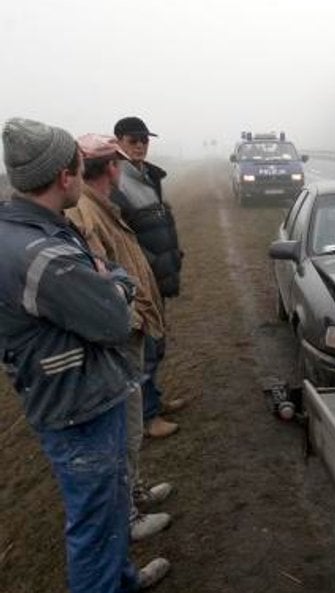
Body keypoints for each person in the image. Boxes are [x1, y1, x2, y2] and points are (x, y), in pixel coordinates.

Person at [0, 117, 169, 591]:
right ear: (64, 176)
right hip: (79, 404)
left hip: (77, 393)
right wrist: (115, 281)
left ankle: (123, 580)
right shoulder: (41, 254)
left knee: (108, 508)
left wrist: (102, 276)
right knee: (94, 525)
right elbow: (114, 316)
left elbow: (99, 277)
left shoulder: (24, 230)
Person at [66, 133, 174, 541]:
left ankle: (134, 493)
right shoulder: (88, 215)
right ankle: (126, 514)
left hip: (128, 330)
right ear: (112, 166)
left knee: (128, 427)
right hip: (121, 336)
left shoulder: (99, 207)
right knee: (123, 431)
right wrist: (134, 321)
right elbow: (101, 284)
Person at [113, 116, 184, 439]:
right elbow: (122, 238)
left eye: (144, 139)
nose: (140, 145)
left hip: (157, 276)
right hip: (140, 280)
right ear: (118, 142)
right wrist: (149, 266)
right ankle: (147, 418)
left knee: (158, 343)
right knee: (146, 350)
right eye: (133, 139)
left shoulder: (147, 176)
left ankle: (154, 402)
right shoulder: (117, 181)